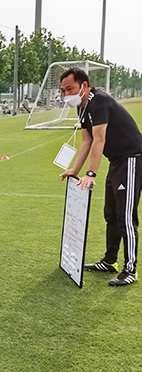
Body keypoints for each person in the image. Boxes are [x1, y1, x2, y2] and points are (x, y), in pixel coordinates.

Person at [60, 67, 142, 286]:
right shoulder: (82, 107)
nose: (66, 94)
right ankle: (109, 261)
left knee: (125, 217)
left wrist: (90, 173)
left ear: (84, 86)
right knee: (110, 214)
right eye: (63, 90)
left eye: (70, 89)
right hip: (116, 162)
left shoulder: (100, 102)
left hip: (131, 159)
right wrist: (74, 170)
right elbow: (86, 141)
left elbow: (99, 139)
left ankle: (130, 269)